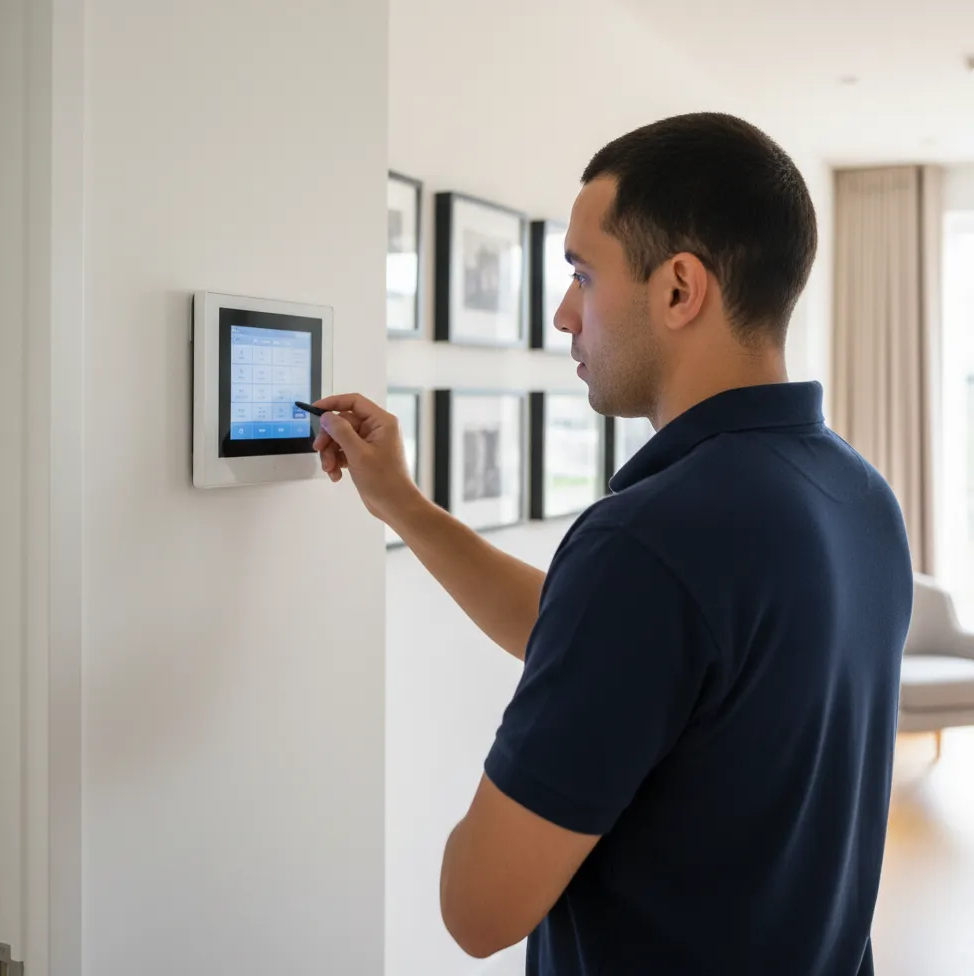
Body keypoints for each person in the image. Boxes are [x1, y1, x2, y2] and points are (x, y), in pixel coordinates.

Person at [312, 113, 913, 975]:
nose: (564, 314)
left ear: (678, 289)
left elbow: (477, 910)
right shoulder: (858, 496)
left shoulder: (651, 543)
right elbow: (624, 648)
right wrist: (403, 505)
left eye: (582, 276)